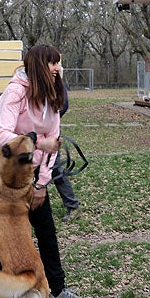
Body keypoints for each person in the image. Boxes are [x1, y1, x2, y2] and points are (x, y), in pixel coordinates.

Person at [0, 43, 90, 298]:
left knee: (46, 232)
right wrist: (35, 141)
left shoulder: (51, 94)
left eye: (58, 62)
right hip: (8, 176)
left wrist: (42, 184)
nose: (58, 68)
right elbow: (2, 136)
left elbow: (53, 142)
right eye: (53, 63)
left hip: (34, 175)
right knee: (13, 236)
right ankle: (2, 297)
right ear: (38, 65)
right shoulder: (15, 92)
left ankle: (57, 291)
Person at [52, 76, 81, 222]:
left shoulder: (55, 80)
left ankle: (73, 206)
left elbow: (63, 105)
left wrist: (50, 120)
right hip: (32, 134)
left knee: (55, 168)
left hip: (51, 131)